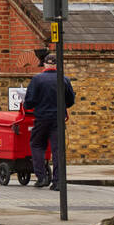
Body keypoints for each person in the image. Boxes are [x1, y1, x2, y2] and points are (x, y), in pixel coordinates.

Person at [23, 48, 75, 191]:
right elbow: (70, 101)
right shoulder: (64, 79)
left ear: (45, 65)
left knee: (37, 144)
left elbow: (29, 102)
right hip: (58, 119)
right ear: (57, 65)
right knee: (58, 150)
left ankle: (42, 177)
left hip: (41, 118)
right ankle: (58, 182)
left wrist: (31, 105)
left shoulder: (37, 79)